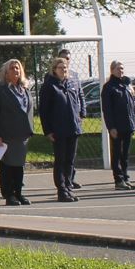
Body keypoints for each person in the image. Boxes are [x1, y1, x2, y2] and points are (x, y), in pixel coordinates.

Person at [0, 59, 34, 206]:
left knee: (19, 165)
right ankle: (9, 194)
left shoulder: (24, 89)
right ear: (6, 72)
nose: (16, 71)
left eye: (18, 68)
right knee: (7, 165)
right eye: (13, 68)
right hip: (6, 134)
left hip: (22, 134)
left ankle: (18, 192)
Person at [39, 56, 83, 202]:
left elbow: (77, 103)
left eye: (65, 67)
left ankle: (69, 187)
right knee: (61, 160)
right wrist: (48, 130)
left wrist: (79, 119)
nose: (63, 70)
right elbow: (44, 111)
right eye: (60, 68)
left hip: (73, 127)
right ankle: (62, 190)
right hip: (58, 129)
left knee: (70, 160)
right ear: (54, 70)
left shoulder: (71, 83)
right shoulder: (49, 86)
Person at [101, 61, 135, 191]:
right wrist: (111, 127)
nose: (120, 71)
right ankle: (118, 179)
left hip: (128, 125)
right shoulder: (109, 87)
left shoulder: (126, 85)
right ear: (112, 70)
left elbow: (132, 107)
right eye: (118, 68)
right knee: (117, 153)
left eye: (122, 68)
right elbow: (107, 109)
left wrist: (134, 124)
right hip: (117, 126)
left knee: (125, 154)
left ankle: (125, 177)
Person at [56, 48, 84, 191]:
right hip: (61, 123)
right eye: (63, 58)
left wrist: (82, 113)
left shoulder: (74, 76)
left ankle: (71, 179)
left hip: (74, 120)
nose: (66, 60)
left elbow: (80, 95)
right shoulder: (52, 78)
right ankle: (63, 184)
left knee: (72, 155)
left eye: (68, 58)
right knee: (62, 156)